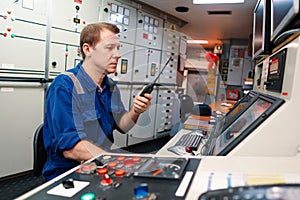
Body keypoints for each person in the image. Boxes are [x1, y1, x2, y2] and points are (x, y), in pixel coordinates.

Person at [42, 22, 152, 181]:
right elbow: (71, 148)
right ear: (87, 50)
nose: (118, 55)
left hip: (102, 165)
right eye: (109, 48)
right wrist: (118, 161)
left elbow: (122, 125)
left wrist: (136, 110)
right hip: (70, 174)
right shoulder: (65, 86)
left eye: (118, 48)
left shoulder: (110, 86)